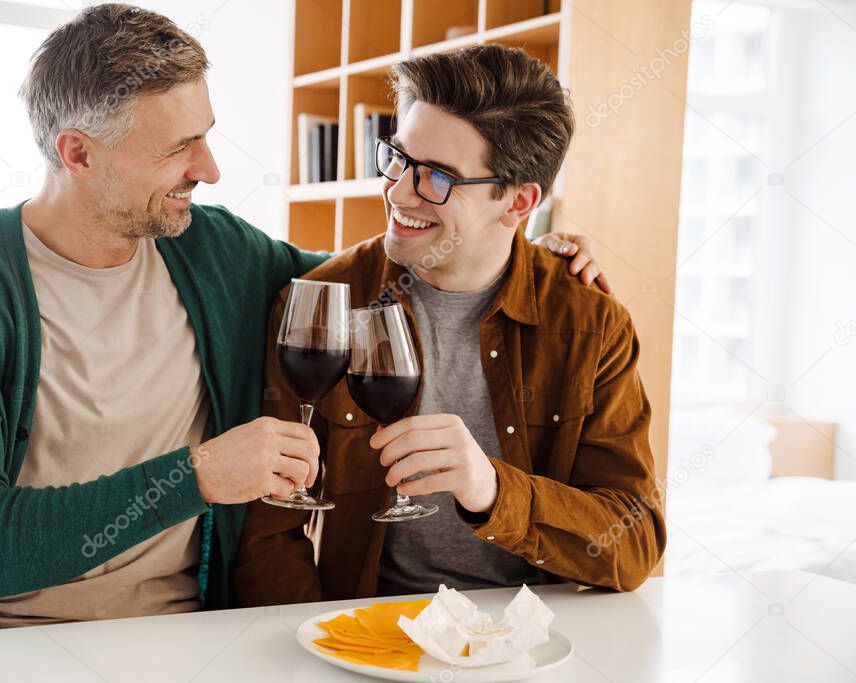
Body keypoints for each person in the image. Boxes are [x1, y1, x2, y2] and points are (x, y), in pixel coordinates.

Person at [0, 5, 604, 637]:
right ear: (79, 153)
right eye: (178, 149)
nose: (210, 168)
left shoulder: (212, 249)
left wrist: (518, 248)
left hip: (190, 639)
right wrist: (195, 476)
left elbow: (370, 276)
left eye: (206, 134)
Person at [235, 45, 664, 606]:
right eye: (397, 159)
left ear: (517, 202)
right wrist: (320, 642)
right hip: (368, 628)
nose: (399, 191)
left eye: (437, 177)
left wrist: (490, 489)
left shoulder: (590, 324)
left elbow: (633, 545)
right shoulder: (324, 305)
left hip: (529, 637)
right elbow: (270, 535)